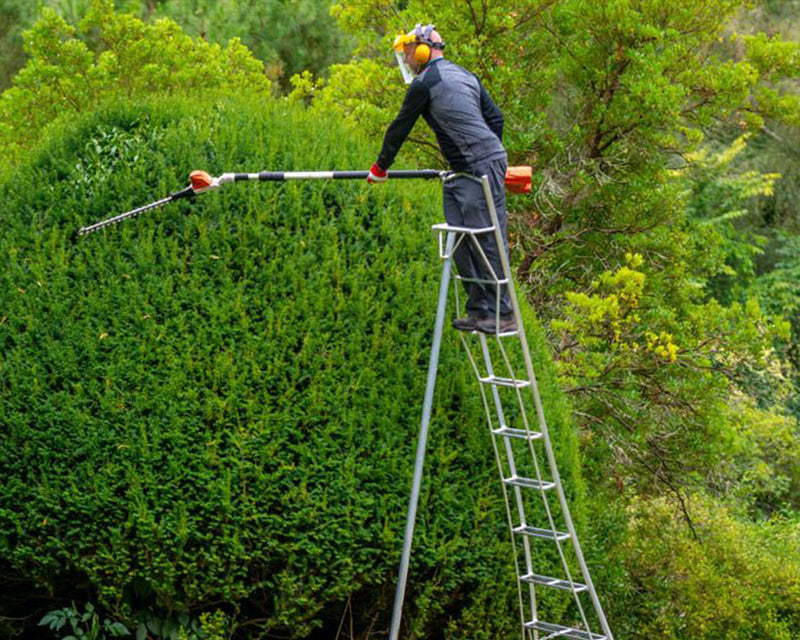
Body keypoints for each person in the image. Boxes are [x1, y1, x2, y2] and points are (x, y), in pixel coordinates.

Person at [366, 24, 515, 334]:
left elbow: (399, 128)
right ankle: (478, 308)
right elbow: (496, 120)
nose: (406, 60)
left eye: (408, 53)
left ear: (424, 50)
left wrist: (380, 168)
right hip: (469, 167)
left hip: (479, 166)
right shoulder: (465, 75)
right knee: (460, 237)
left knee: (484, 237)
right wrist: (490, 153)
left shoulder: (425, 83)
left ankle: (504, 312)